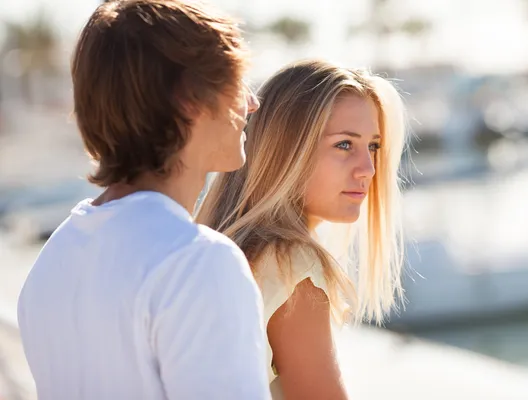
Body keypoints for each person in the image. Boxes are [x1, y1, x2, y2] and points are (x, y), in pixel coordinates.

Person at [17, 1, 270, 399]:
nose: (251, 103)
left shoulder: (53, 261)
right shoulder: (197, 263)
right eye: (238, 83)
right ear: (190, 99)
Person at [196, 59, 406, 399]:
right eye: (344, 145)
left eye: (373, 146)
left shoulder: (215, 251)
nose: (368, 168)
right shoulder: (291, 263)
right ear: (287, 151)